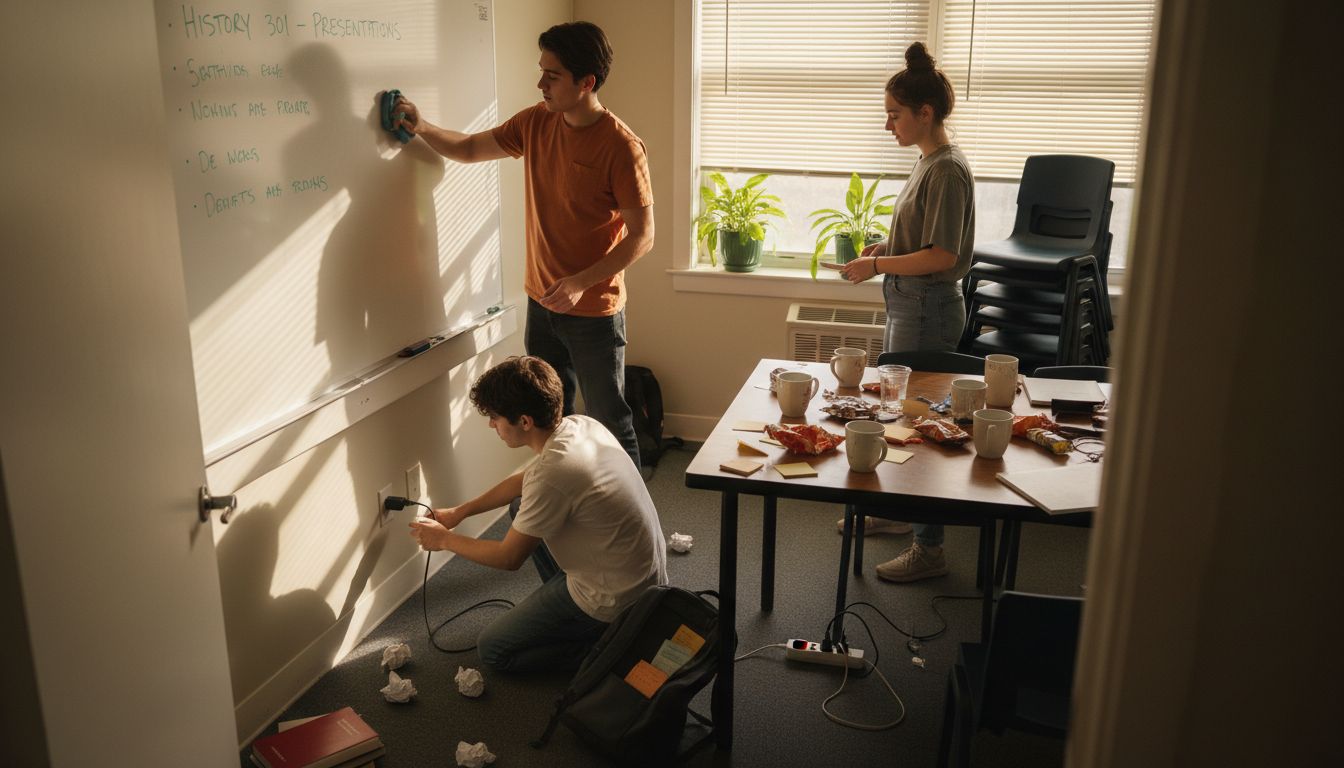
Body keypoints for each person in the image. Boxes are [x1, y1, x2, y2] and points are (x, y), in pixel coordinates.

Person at [391, 22, 653, 469]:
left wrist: (580, 283)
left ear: (586, 82)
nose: (540, 84)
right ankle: (562, 524)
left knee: (609, 423)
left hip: (594, 312)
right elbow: (471, 148)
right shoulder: (536, 121)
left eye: (551, 76)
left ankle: (631, 529)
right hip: (542, 304)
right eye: (541, 72)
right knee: (552, 424)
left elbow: (643, 236)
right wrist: (422, 127)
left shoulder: (621, 147)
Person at [824, 42, 976, 583]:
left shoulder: (948, 171)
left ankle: (929, 548)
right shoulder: (927, 163)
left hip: (930, 308)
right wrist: (880, 254)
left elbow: (943, 255)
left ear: (925, 113)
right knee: (899, 415)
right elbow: (921, 240)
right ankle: (897, 512)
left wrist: (879, 265)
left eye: (894, 114)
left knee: (920, 424)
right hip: (910, 301)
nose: (888, 125)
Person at [408, 356, 667, 672]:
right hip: (639, 576)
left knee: (493, 650)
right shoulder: (580, 425)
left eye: (495, 418)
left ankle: (606, 654)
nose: (492, 425)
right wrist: (460, 512)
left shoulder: (554, 474)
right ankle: (574, 617)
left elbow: (508, 558)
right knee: (520, 507)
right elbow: (524, 482)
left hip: (611, 598)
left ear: (525, 421)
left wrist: (445, 540)